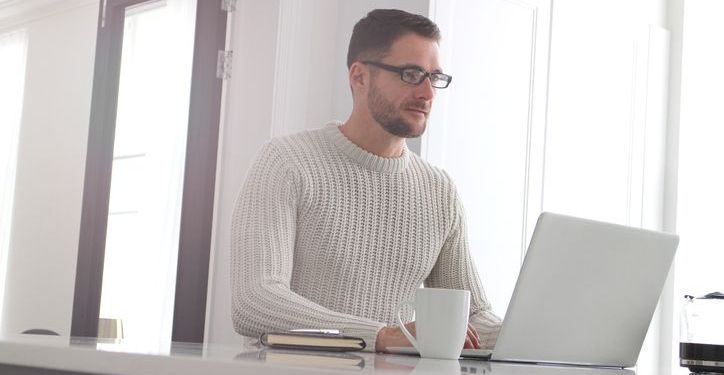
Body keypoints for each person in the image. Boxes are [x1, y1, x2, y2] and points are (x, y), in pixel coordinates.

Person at [230, 8, 501, 352]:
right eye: (411, 74)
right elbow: (255, 302)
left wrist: (543, 335)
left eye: (434, 78)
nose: (428, 94)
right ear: (359, 77)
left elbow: (473, 317)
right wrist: (382, 337)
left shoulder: (439, 190)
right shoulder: (286, 162)